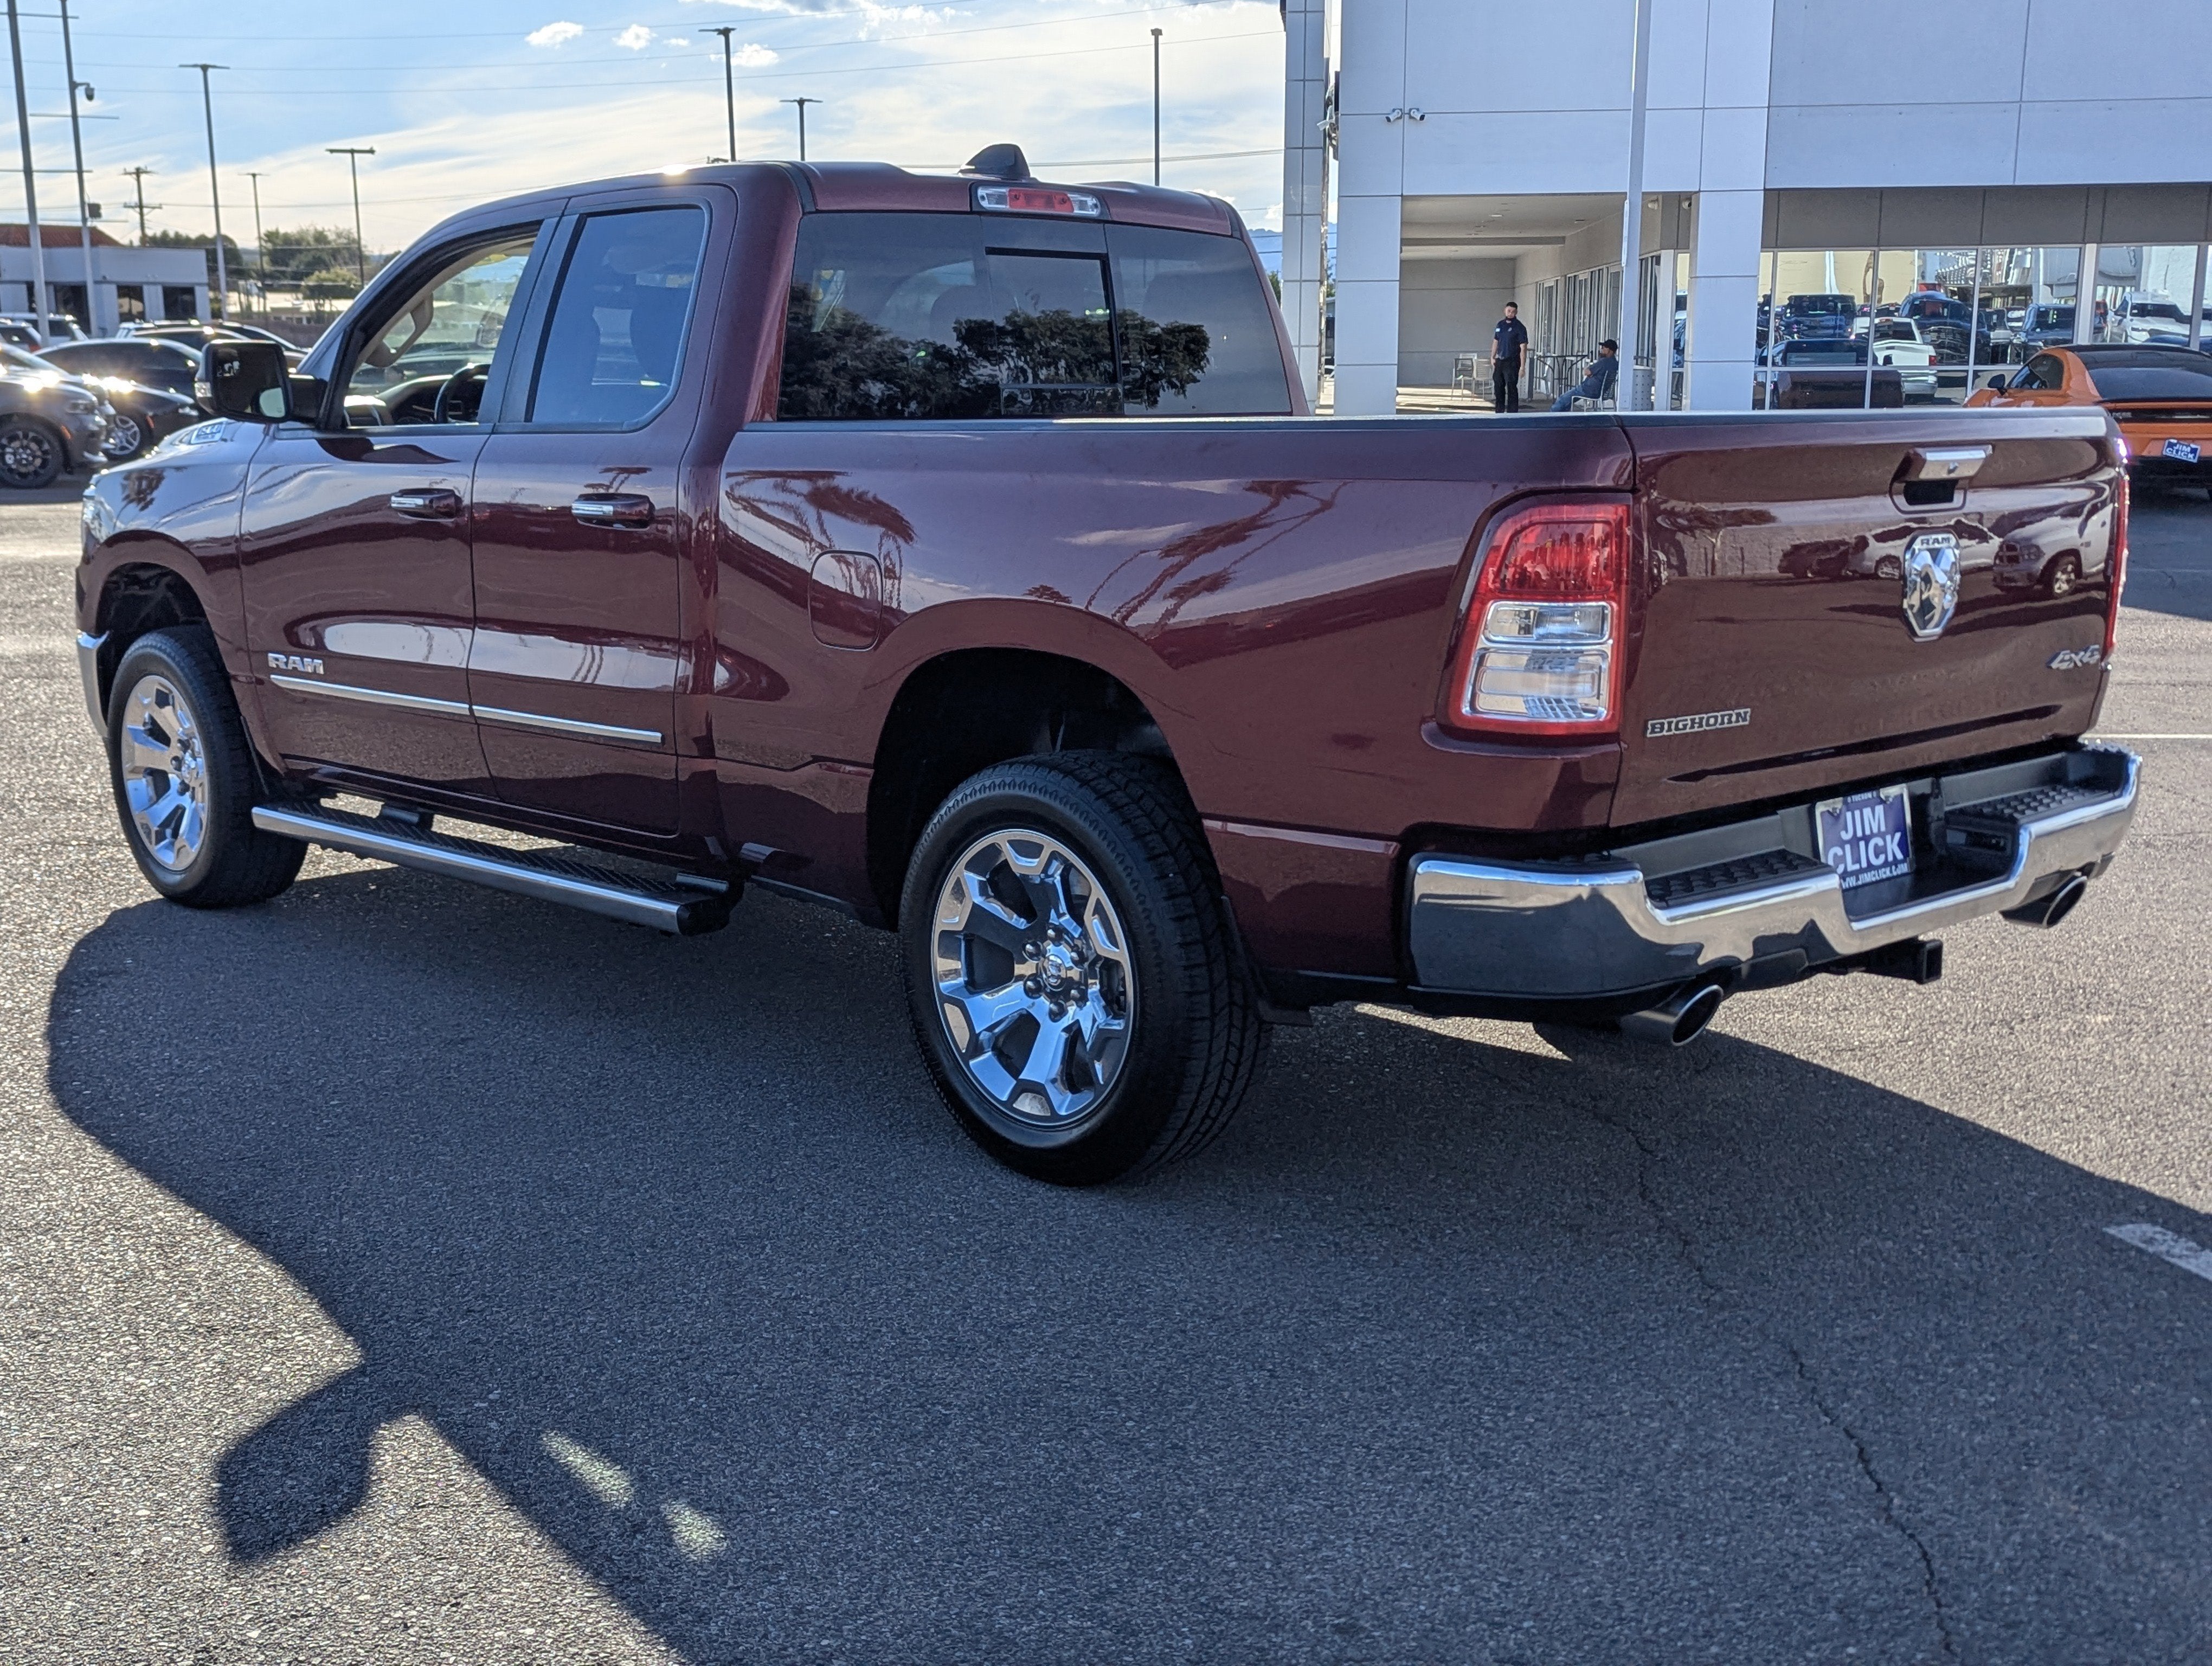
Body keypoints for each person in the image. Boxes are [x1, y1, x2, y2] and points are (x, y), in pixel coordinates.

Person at [1548, 338, 1619, 411]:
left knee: (1563, 399)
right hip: (1602, 392)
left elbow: (1587, 372)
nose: (1602, 349)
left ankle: (1553, 415)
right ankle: (1563, 413)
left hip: (1589, 390)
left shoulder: (1604, 362)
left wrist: (1591, 372)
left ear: (1610, 350)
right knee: (1569, 399)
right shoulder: (1615, 364)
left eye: (1604, 347)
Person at [1490, 300, 1528, 413]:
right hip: (1500, 360)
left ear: (1516, 313)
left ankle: (1512, 413)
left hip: (1512, 361)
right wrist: (1492, 357)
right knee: (1498, 386)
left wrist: (1522, 367)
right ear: (1505, 310)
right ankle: (1499, 411)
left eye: (1513, 312)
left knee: (1511, 387)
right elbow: (1496, 341)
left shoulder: (1519, 327)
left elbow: (1523, 347)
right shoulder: (1500, 325)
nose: (1510, 313)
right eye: (1509, 311)